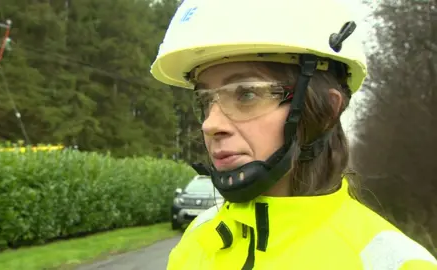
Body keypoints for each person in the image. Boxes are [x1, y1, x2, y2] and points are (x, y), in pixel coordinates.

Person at [150, 0, 437, 269]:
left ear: (325, 111)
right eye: (205, 100)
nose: (210, 124)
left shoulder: (394, 263)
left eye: (247, 93)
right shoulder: (196, 241)